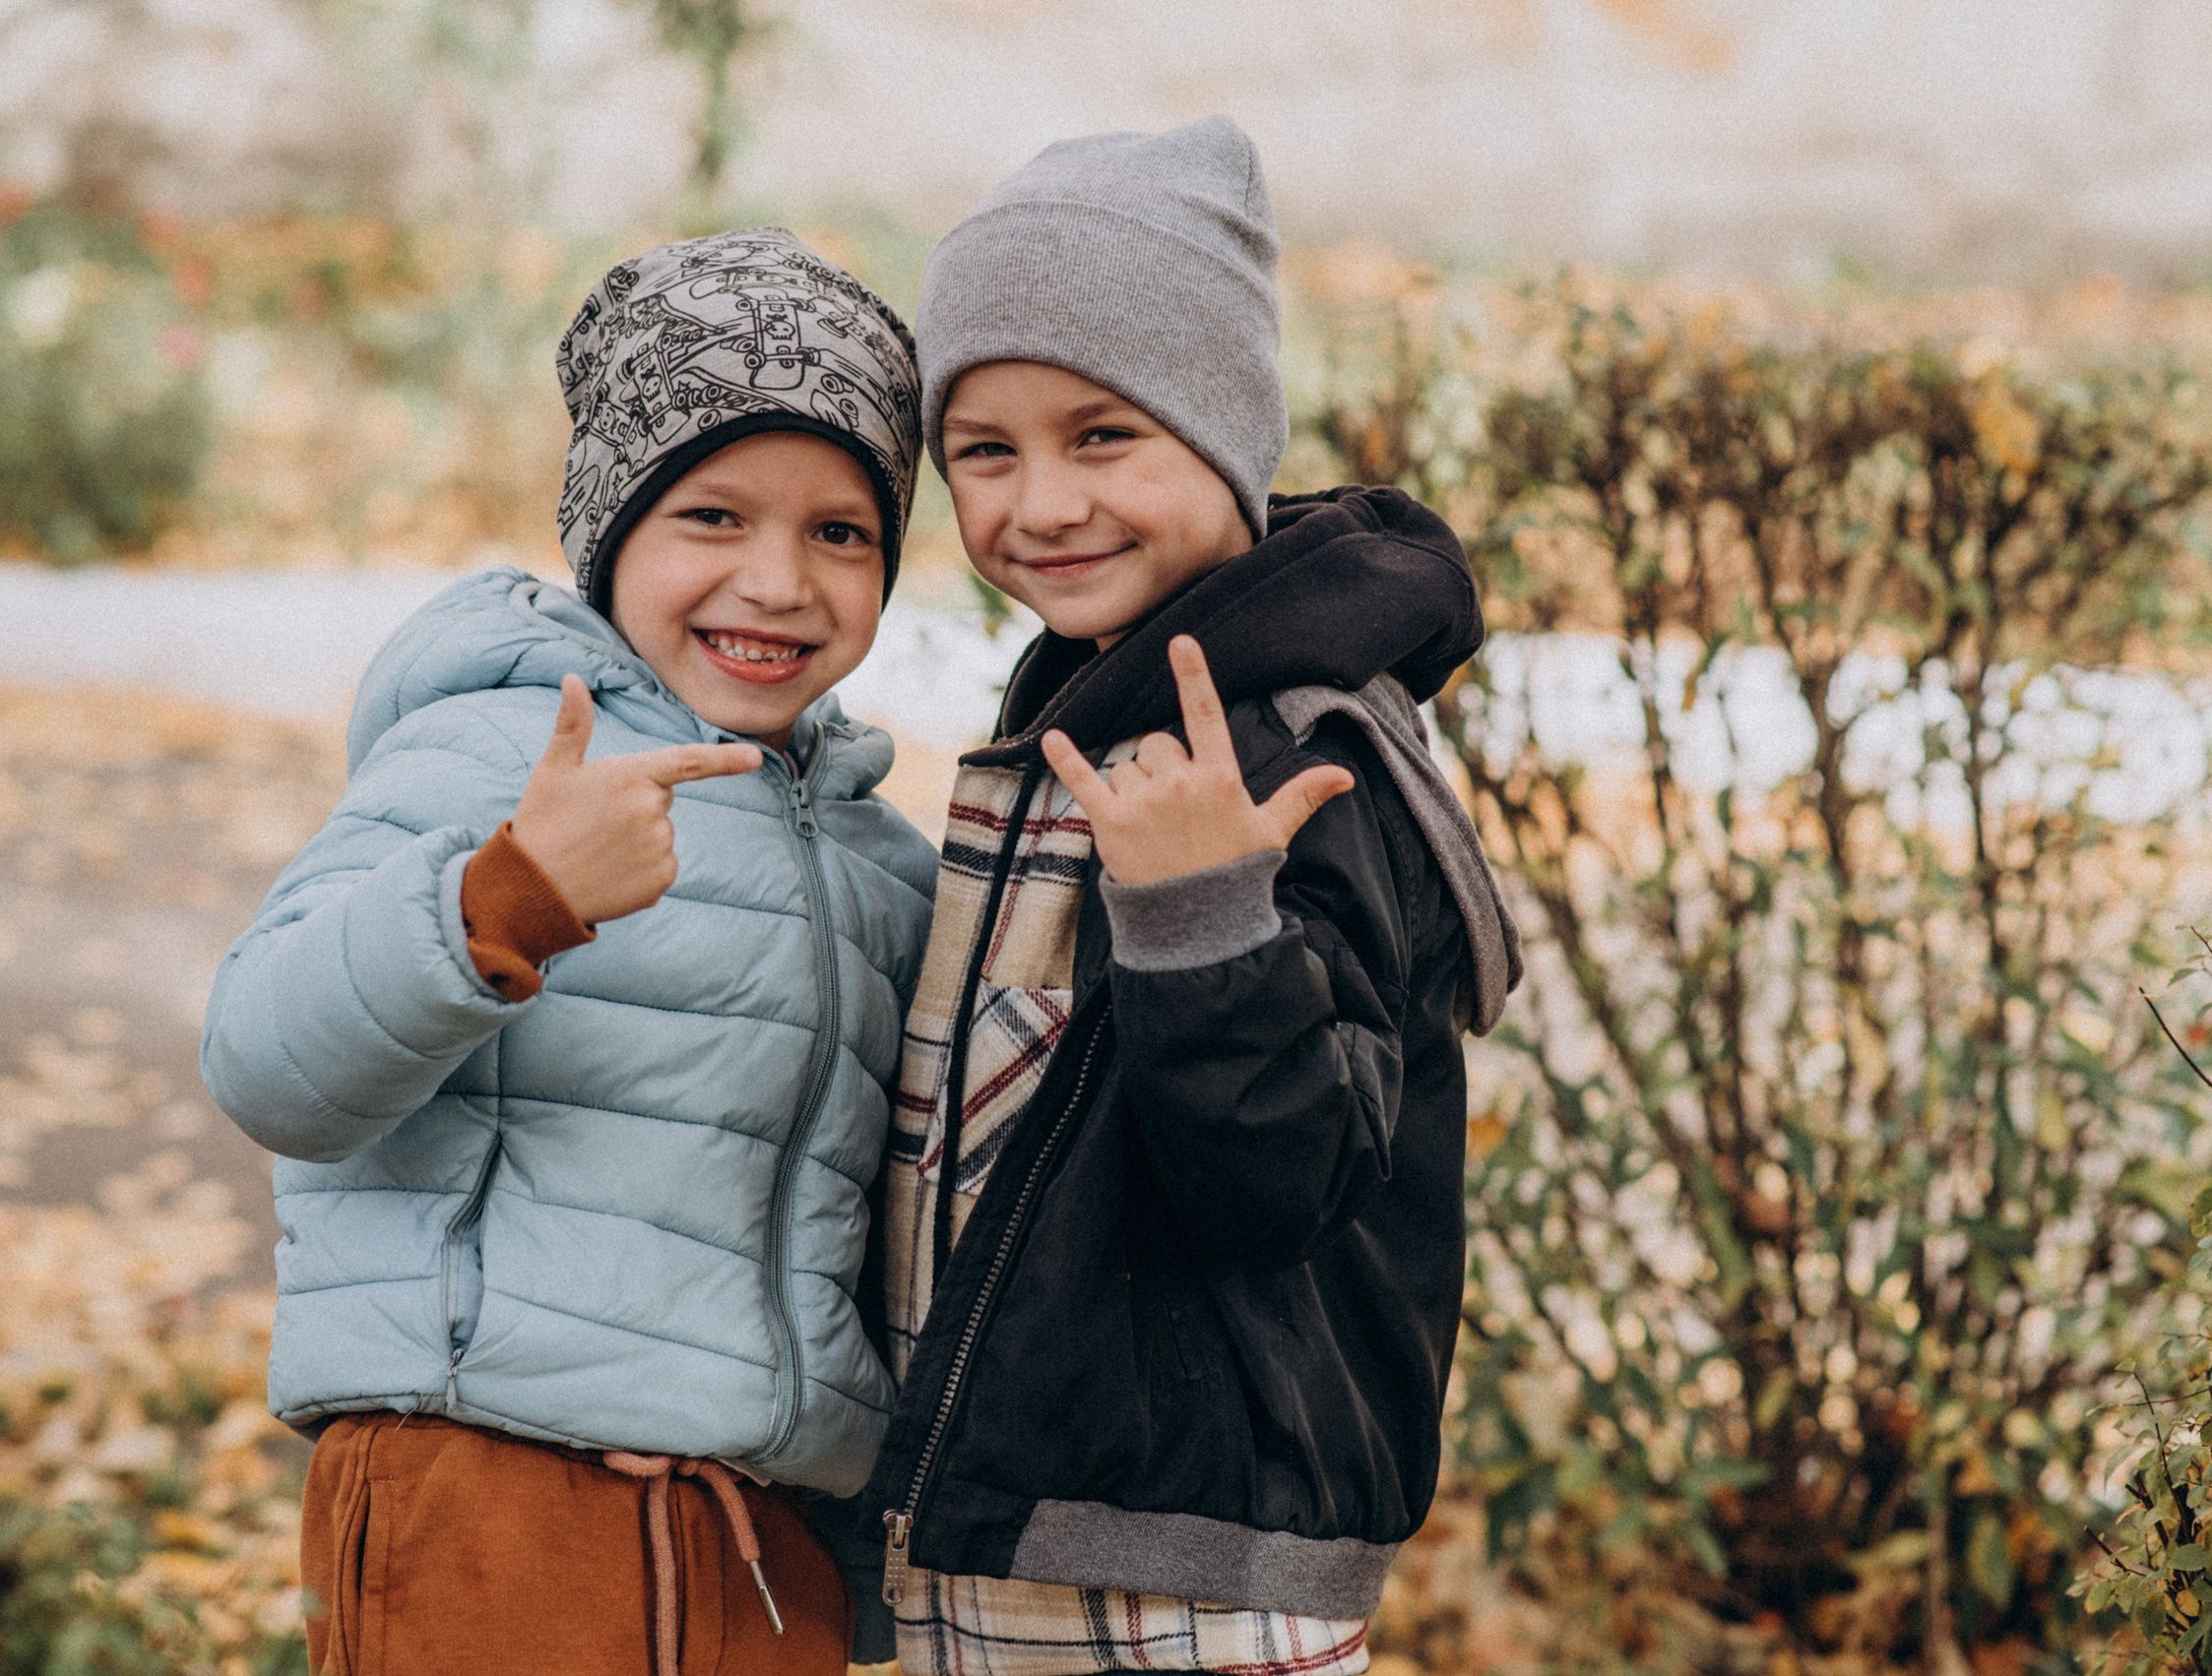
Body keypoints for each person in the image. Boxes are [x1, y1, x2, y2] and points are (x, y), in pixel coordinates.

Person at [201, 228, 939, 1676]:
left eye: (839, 531)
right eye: (713, 518)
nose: (779, 582)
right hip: (495, 1489)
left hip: (758, 1544)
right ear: (612, 530)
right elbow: (267, 1064)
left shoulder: (880, 867)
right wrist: (507, 902)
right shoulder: (498, 753)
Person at [857, 118, 1527, 1675]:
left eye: (1104, 438)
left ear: (1225, 435)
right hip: (1025, 1528)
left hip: (1186, 1576)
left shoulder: (1298, 750)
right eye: (985, 450)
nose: (1040, 504)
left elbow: (1295, 1178)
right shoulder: (1102, 700)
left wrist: (1203, 919)